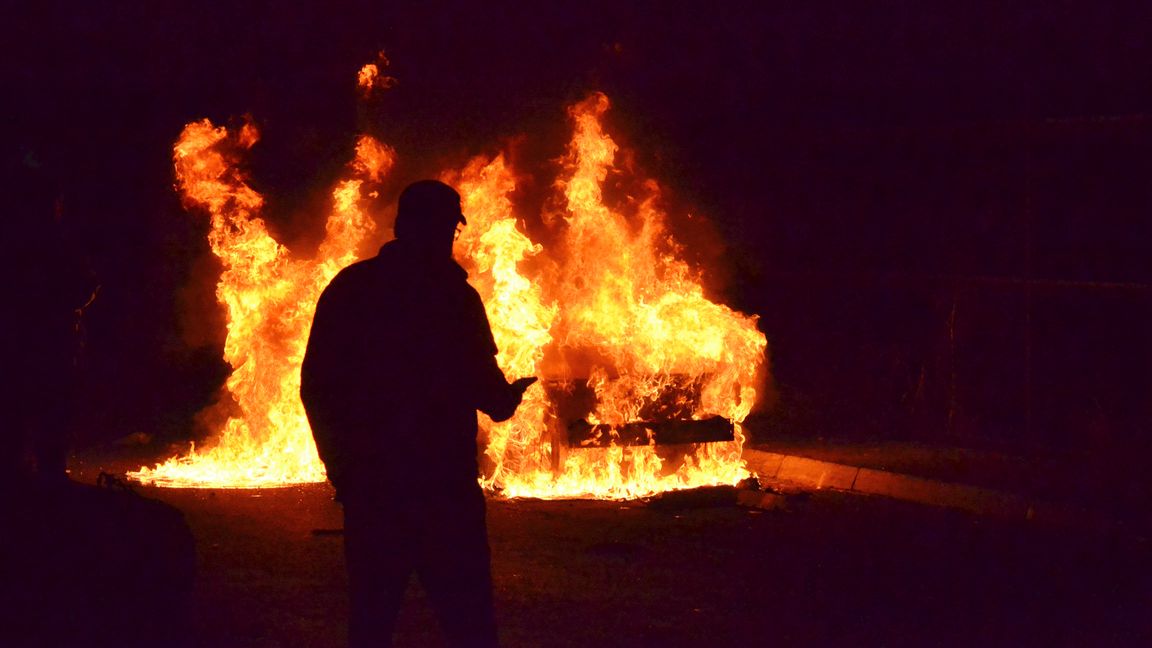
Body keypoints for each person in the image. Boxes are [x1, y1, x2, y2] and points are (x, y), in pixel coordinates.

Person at [301, 179, 535, 647]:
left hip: (374, 491)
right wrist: (510, 397)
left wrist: (343, 472)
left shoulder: (351, 288)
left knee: (371, 622)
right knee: (468, 623)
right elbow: (488, 394)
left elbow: (317, 389)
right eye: (448, 229)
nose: (448, 240)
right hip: (444, 493)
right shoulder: (454, 298)